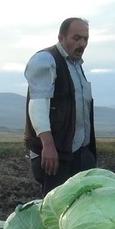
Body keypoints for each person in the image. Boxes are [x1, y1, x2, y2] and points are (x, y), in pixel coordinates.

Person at [23, 17, 96, 196]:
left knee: (79, 208)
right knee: (55, 210)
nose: (82, 44)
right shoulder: (46, 60)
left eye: (85, 39)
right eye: (76, 38)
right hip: (56, 155)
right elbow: (38, 105)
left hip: (78, 153)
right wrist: (48, 146)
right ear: (61, 38)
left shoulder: (76, 66)